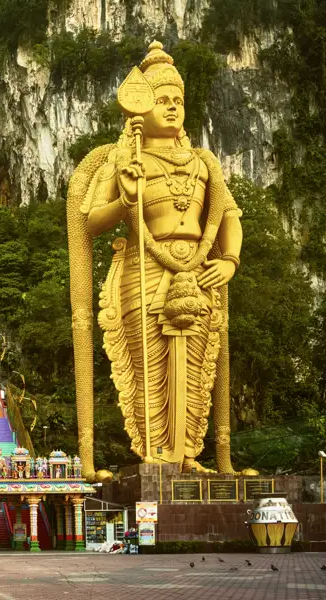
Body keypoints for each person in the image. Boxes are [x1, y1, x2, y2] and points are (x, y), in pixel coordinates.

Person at [69, 42, 243, 475]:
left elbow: (228, 216)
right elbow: (90, 221)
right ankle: (155, 454)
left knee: (197, 365)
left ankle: (188, 455)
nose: (171, 108)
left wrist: (230, 260)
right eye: (161, 100)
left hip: (199, 272)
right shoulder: (124, 159)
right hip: (143, 270)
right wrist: (126, 199)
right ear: (139, 109)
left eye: (177, 101)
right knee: (149, 368)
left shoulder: (204, 163)